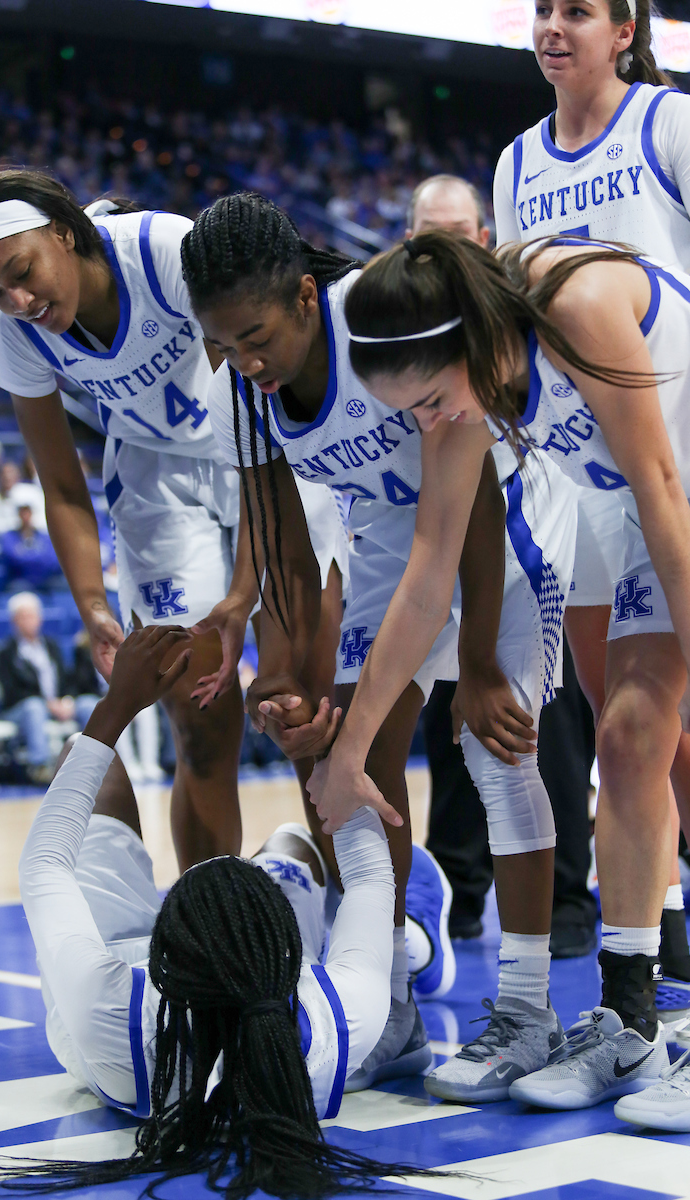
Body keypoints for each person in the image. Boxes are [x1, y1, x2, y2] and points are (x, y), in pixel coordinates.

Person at [185, 192, 578, 1100]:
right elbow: (282, 547)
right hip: (389, 543)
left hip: (498, 512)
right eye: (223, 345)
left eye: (256, 338)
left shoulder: (381, 322)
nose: (244, 362)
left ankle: (525, 1012)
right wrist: (281, 676)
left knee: (493, 750)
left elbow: (468, 491)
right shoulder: (241, 394)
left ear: (306, 303)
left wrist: (477, 659)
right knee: (346, 761)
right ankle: (389, 1003)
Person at [312, 228, 690, 1120]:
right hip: (625, 507)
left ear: (474, 344)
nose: (432, 423)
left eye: (435, 400)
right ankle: (632, 1021)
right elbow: (425, 578)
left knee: (663, 739)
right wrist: (351, 752)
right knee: (628, 742)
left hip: (671, 490)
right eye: (412, 413)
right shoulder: (460, 396)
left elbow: (664, 485)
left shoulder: (578, 308)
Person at [0, 168, 346, 871]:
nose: (16, 300)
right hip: (159, 481)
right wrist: (93, 605)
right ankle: (211, 934)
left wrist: (244, 590)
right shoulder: (18, 337)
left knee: (304, 703)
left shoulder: (163, 252)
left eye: (21, 271)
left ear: (65, 234)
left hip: (262, 453)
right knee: (197, 724)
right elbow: (64, 488)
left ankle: (366, 916)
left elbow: (257, 398)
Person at [12, 623, 441, 1198]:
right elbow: (374, 879)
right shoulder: (329, 1019)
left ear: (165, 948)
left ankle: (411, 938)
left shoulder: (112, 1010)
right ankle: (413, 940)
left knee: (79, 756)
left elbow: (44, 864)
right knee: (290, 842)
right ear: (286, 952)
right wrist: (323, 752)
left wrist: (115, 709)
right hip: (230, 977)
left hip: (113, 962)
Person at [493, 0, 690, 1010]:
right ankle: (658, 919)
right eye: (541, 10)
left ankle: (635, 977)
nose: (551, 26)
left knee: (636, 726)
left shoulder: (666, 124)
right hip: (579, 463)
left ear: (623, 32)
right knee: (624, 727)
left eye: (575, 10)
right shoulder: (516, 161)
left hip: (667, 419)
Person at [409, 173, 598, 954]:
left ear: (483, 238)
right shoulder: (396, 318)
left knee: (544, 717)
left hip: (542, 511)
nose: (448, 244)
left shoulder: (516, 302)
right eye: (432, 233)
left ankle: (566, 907)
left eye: (460, 231)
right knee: (452, 722)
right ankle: (455, 899)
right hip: (447, 529)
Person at [0, 591, 97, 782]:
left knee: (88, 704)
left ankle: (95, 762)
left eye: (33, 615)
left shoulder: (51, 646)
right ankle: (40, 766)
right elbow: (11, 692)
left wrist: (67, 700)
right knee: (34, 707)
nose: (30, 621)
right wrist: (47, 704)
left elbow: (67, 679)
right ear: (14, 621)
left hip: (56, 704)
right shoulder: (6, 653)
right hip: (21, 710)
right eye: (24, 616)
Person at [0, 501, 62, 590]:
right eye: (22, 512)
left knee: (61, 585)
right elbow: (13, 558)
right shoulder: (9, 536)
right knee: (18, 587)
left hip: (45, 578)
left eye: (27, 512)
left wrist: (27, 555)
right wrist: (37, 557)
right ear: (18, 515)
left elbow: (52, 559)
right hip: (21, 578)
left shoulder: (44, 536)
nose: (25, 516)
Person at [0, 460, 44, 535]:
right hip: (0, 540)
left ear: (18, 475)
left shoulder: (32, 492)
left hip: (33, 537)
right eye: (4, 474)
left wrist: (28, 525)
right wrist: (14, 528)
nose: (7, 477)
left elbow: (44, 518)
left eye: (11, 473)